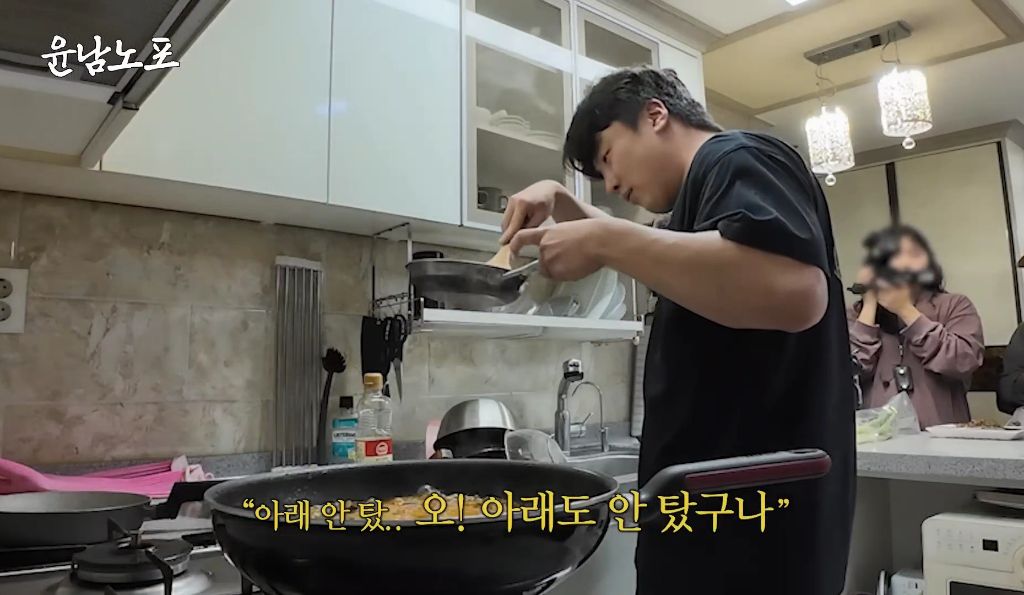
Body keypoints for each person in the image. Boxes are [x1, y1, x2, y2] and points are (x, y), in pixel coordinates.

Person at [500, 67, 855, 595]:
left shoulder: (736, 156)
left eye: (607, 157)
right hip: (726, 519)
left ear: (655, 114)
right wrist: (562, 199)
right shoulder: (704, 200)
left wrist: (603, 241)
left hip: (750, 533)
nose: (611, 184)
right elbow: (680, 252)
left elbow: (797, 291)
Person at [848, 225, 984, 428]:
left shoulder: (955, 305)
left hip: (943, 434)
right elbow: (849, 373)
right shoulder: (856, 314)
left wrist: (905, 310)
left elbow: (963, 361)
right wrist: (869, 306)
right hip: (878, 436)